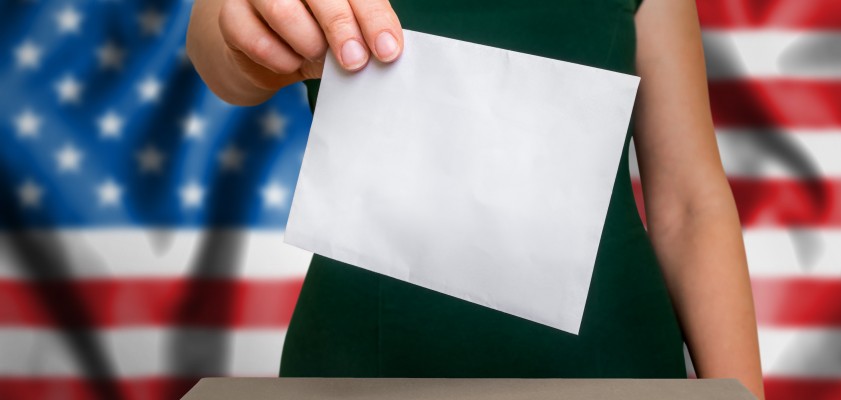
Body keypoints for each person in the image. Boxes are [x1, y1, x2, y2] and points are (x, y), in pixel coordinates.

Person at [187, 0, 765, 399]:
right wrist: (248, 35)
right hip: (362, 363)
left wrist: (738, 392)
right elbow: (219, 46)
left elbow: (690, 203)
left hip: (613, 363)